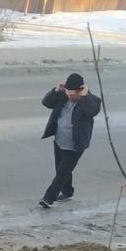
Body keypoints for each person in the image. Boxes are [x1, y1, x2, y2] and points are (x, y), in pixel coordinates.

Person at [39, 72, 102, 209]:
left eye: (73, 93)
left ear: (81, 90)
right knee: (61, 170)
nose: (69, 95)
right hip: (59, 140)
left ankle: (48, 198)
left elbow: (92, 111)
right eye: (68, 92)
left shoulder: (91, 101)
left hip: (75, 144)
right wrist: (56, 91)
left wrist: (85, 96)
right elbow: (46, 103)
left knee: (62, 173)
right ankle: (67, 191)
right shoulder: (62, 96)